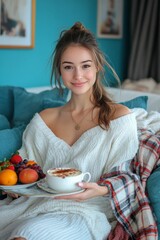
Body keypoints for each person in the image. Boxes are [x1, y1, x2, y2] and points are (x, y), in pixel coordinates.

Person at [0, 22, 138, 240]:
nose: (77, 75)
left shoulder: (119, 118)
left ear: (97, 67)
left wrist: (100, 190)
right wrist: (13, 186)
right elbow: (26, 170)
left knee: (24, 236)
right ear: (59, 70)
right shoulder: (43, 121)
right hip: (35, 206)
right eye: (68, 66)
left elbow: (126, 175)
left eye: (85, 66)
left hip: (87, 211)